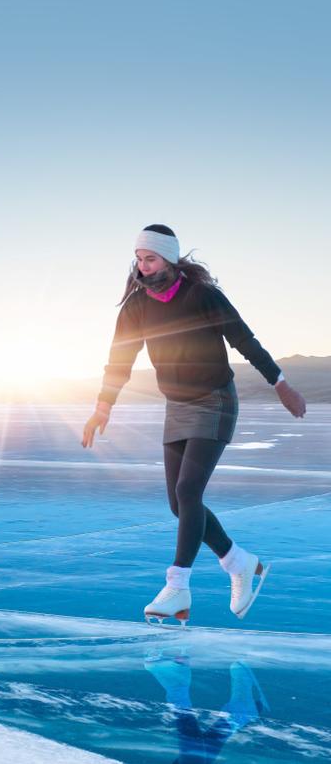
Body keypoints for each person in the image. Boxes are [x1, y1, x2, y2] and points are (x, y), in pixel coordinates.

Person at [81, 225, 307, 624]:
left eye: (151, 259)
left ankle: (178, 586)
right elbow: (120, 360)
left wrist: (281, 384)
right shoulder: (136, 306)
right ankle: (238, 562)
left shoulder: (202, 295)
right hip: (177, 405)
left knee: (188, 490)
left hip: (215, 400)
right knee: (179, 503)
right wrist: (103, 407)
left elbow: (244, 340)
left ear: (169, 259)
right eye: (139, 259)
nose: (143, 267)